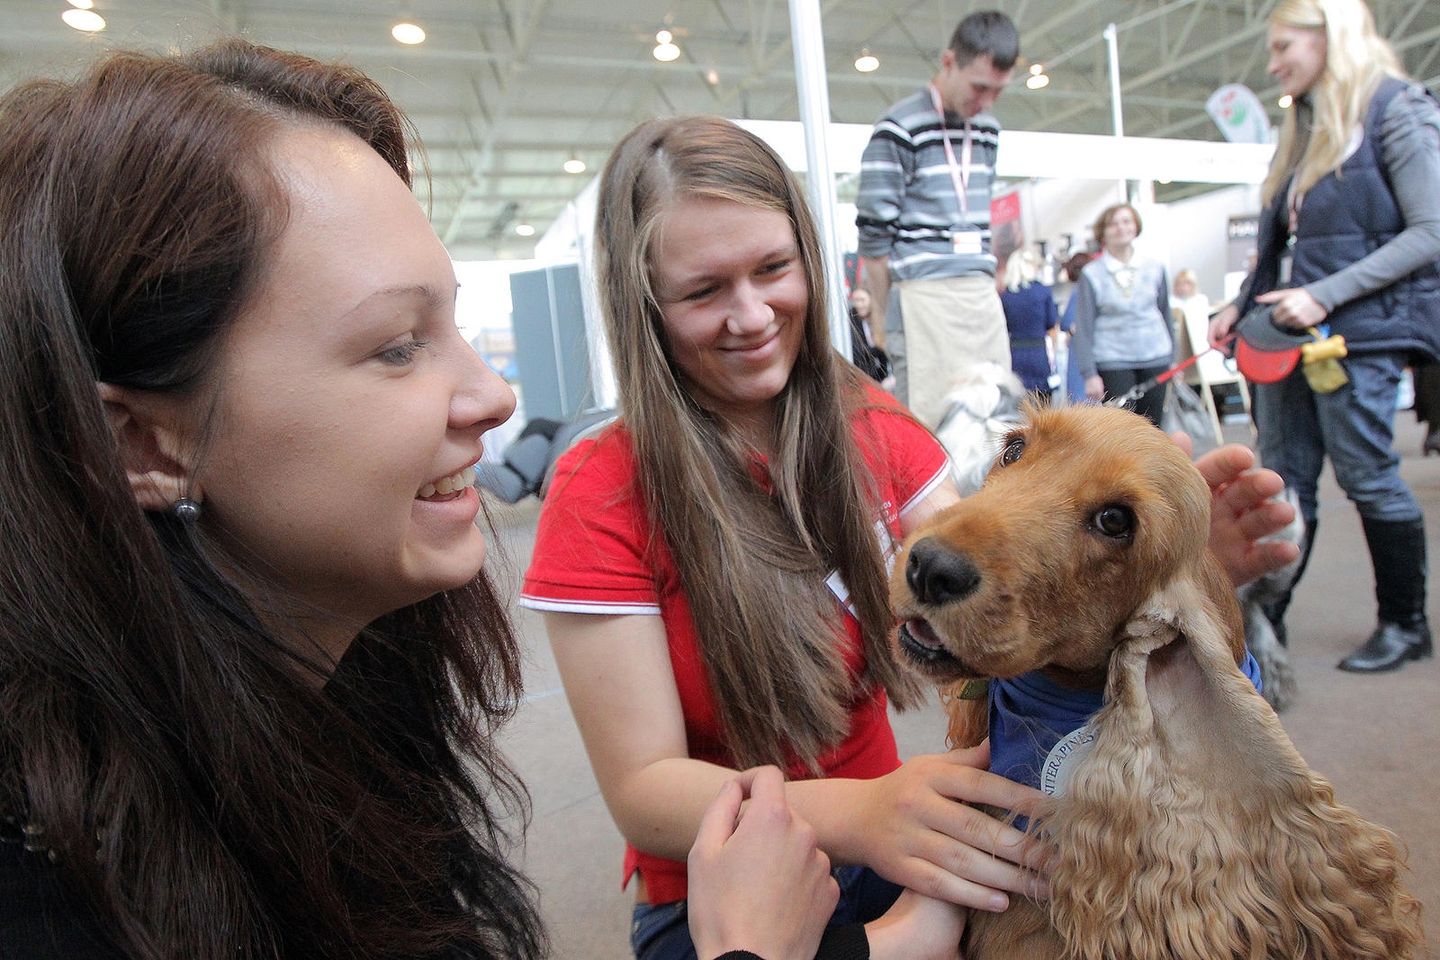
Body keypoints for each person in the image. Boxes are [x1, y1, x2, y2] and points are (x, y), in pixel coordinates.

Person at [0, 41, 843, 960]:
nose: (494, 395)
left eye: (450, 322)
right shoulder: (54, 886)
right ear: (145, 445)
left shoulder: (341, 717)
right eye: (398, 345)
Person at [520, 115, 1301, 960]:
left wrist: (1159, 567)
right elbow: (644, 790)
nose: (751, 315)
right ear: (646, 306)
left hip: (916, 832)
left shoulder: (880, 431)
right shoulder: (600, 489)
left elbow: (1002, 605)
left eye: (773, 269)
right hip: (730, 885)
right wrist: (864, 815)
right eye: (704, 291)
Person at [1208, 0, 1440, 673]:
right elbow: (1287, 248)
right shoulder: (1305, 129)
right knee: (1283, 480)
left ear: (1329, 38)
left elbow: (1428, 233)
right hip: (1286, 337)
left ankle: (1405, 622)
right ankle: (1263, 616)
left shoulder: (1398, 109)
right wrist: (1239, 306)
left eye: (1284, 47)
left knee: (1369, 476)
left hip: (1358, 335)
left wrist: (1323, 296)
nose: (1273, 63)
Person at [854, 10, 1018, 428]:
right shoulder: (898, 128)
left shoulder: (988, 131)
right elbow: (874, 238)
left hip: (979, 296)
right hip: (922, 296)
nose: (986, 102)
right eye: (980, 87)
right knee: (930, 425)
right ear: (949, 62)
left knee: (997, 420)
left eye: (998, 91)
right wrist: (882, 318)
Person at [1072, 203, 1176, 427]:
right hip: (1113, 360)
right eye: (1113, 223)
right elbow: (1084, 327)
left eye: (1127, 221)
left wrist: (1174, 359)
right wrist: (1089, 374)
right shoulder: (1092, 274)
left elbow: (1165, 313)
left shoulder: (1155, 267)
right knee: (1121, 431)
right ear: (1103, 232)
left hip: (1156, 355)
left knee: (1155, 430)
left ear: (1136, 226)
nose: (1121, 228)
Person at [997, 249, 1059, 400]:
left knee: (1019, 402)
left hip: (1014, 353)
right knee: (1042, 402)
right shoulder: (1043, 292)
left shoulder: (1005, 296)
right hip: (1038, 352)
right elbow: (1051, 322)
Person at [846, 288, 890, 384]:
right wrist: (879, 347)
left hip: (884, 373)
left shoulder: (880, 318)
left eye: (862, 300)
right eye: (856, 300)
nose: (859, 304)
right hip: (863, 375)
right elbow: (858, 352)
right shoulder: (852, 319)